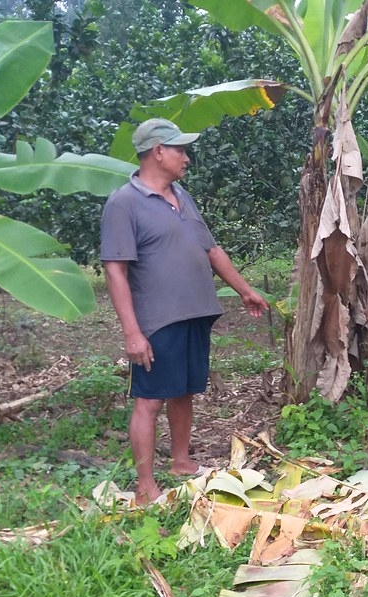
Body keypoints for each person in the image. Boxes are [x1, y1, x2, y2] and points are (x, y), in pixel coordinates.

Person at [100, 118, 269, 505]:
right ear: (158, 152)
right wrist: (132, 332)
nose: (186, 158)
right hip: (158, 319)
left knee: (184, 391)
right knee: (150, 399)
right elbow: (115, 270)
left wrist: (244, 290)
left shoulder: (182, 196)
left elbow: (210, 249)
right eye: (180, 150)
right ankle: (145, 485)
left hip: (195, 313)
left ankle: (180, 461)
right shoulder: (123, 203)